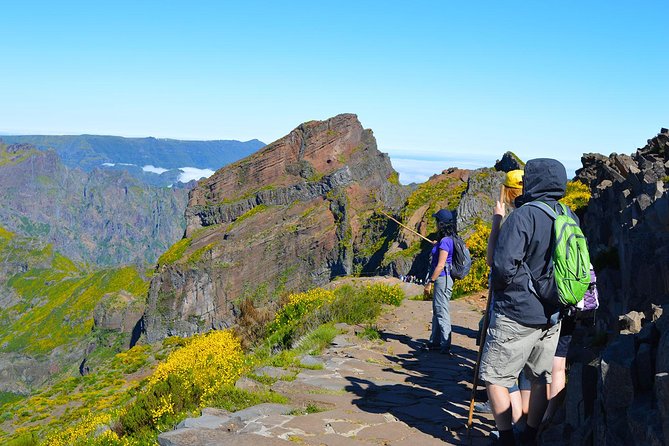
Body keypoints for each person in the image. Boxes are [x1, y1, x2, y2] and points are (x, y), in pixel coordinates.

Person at [479, 158, 576, 446]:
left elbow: (501, 266)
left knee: (495, 376)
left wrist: (504, 294)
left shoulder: (523, 216)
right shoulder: (568, 214)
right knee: (540, 377)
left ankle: (507, 438)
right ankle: (531, 436)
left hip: (518, 313)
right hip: (554, 312)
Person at [476, 170, 528, 425]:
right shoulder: (550, 214)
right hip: (543, 306)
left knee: (500, 373)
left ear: (508, 191)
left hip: (513, 304)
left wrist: (497, 220)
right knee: (529, 375)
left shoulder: (516, 219)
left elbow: (493, 260)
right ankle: (524, 429)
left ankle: (509, 431)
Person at [423, 209, 456, 355]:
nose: (435, 224)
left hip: (442, 279)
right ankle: (435, 342)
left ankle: (445, 344)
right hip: (445, 279)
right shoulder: (448, 239)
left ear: (441, 224)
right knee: (437, 310)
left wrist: (430, 281)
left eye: (437, 221)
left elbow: (440, 265)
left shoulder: (445, 242)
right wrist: (437, 245)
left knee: (441, 311)